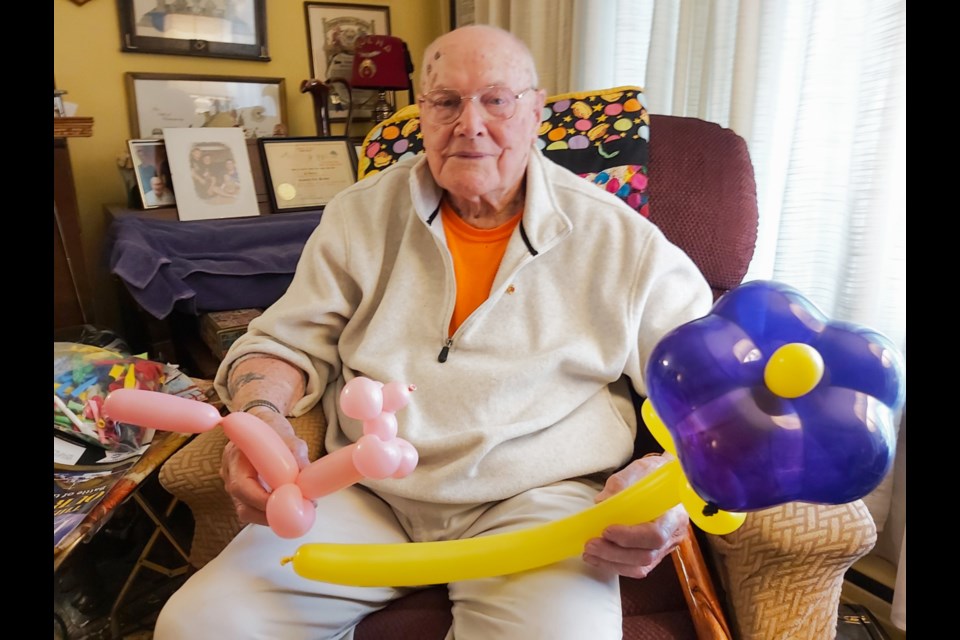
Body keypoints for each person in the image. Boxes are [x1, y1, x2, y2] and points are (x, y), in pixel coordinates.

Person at [154, 24, 712, 640]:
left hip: (536, 506)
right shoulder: (360, 213)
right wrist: (261, 411)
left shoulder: (622, 243)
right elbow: (284, 343)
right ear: (422, 112)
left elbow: (712, 397)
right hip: (366, 489)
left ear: (537, 111)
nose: (469, 123)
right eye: (447, 101)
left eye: (497, 99)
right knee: (198, 625)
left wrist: (663, 486)